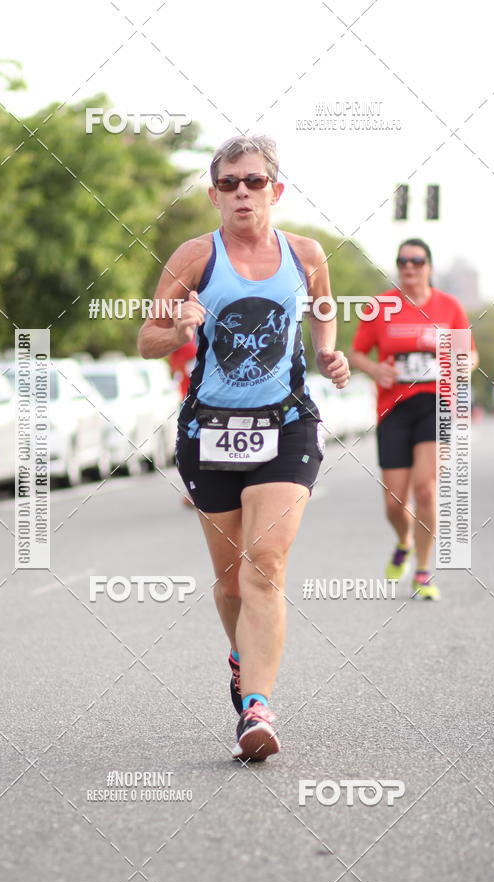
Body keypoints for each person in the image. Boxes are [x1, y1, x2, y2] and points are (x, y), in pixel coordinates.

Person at [137, 135, 349, 760]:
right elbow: (146, 338)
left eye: (254, 182)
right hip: (210, 430)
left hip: (286, 426)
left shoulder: (305, 253)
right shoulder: (195, 256)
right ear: (214, 195)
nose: (242, 194)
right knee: (230, 583)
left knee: (265, 565)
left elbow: (323, 308)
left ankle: (257, 708)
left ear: (275, 190)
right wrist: (177, 329)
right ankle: (240, 657)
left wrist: (328, 350)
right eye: (229, 184)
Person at [350, 238, 478, 601]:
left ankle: (422, 570)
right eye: (403, 261)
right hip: (394, 408)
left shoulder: (449, 306)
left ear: (429, 267)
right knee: (394, 503)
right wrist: (376, 369)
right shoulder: (380, 307)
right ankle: (404, 541)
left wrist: (463, 365)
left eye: (417, 261)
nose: (409, 267)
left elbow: (470, 354)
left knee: (426, 489)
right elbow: (357, 353)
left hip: (436, 403)